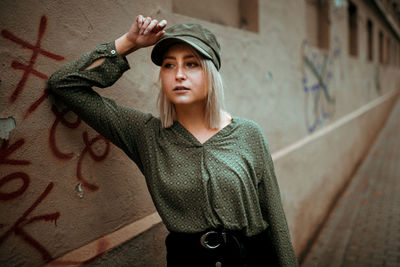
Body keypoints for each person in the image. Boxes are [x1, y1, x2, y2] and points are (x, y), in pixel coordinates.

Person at [48, 14, 298, 267]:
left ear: (210, 73)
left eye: (191, 64)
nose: (178, 74)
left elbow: (274, 216)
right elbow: (65, 84)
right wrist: (128, 43)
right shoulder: (146, 134)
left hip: (251, 259)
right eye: (169, 65)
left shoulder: (248, 133)